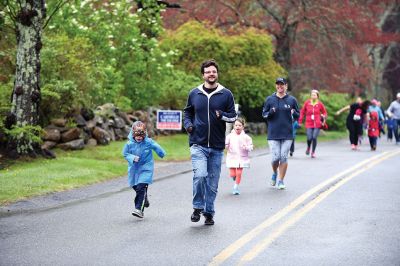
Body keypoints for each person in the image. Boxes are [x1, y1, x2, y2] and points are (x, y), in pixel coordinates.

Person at [183, 59, 237, 225]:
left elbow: (233, 116)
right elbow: (188, 113)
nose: (211, 74)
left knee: (212, 183)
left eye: (213, 71)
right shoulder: (195, 93)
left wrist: (222, 115)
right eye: (208, 72)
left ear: (217, 73)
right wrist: (189, 125)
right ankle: (197, 207)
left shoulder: (226, 94)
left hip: (216, 146)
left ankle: (209, 212)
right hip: (198, 143)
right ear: (203, 75)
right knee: (200, 175)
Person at [122, 121, 166, 219]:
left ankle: (139, 209)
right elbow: (125, 154)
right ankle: (144, 197)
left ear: (144, 134)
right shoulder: (129, 144)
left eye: (141, 136)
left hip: (146, 168)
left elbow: (156, 146)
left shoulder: (148, 142)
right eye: (137, 135)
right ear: (133, 134)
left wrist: (161, 153)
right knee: (136, 187)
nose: (139, 137)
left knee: (141, 187)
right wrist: (132, 157)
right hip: (134, 169)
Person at [262, 77, 300, 190]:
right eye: (278, 84)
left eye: (282, 84)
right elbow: (264, 114)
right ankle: (274, 173)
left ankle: (281, 180)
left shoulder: (292, 100)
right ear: (276, 86)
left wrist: (294, 113)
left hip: (287, 133)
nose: (280, 86)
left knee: (283, 157)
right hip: (273, 134)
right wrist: (270, 112)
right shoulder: (270, 99)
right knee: (275, 158)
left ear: (286, 86)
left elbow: (298, 115)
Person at [225, 118, 253, 195]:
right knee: (232, 174)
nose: (238, 127)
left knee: (239, 173)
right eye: (236, 125)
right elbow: (225, 144)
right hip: (232, 158)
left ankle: (236, 187)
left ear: (243, 127)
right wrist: (226, 146)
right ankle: (234, 177)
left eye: (240, 125)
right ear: (234, 126)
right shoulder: (229, 136)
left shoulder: (246, 137)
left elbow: (251, 147)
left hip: (242, 158)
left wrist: (246, 147)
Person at [298, 89, 328, 158]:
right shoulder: (307, 103)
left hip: (317, 123)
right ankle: (308, 147)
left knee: (314, 137)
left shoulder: (320, 104)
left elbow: (325, 112)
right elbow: (302, 112)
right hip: (309, 123)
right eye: (312, 95)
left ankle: (313, 152)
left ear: (317, 96)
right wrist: (300, 121)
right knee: (309, 138)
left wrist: (324, 116)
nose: (313, 96)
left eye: (314, 95)